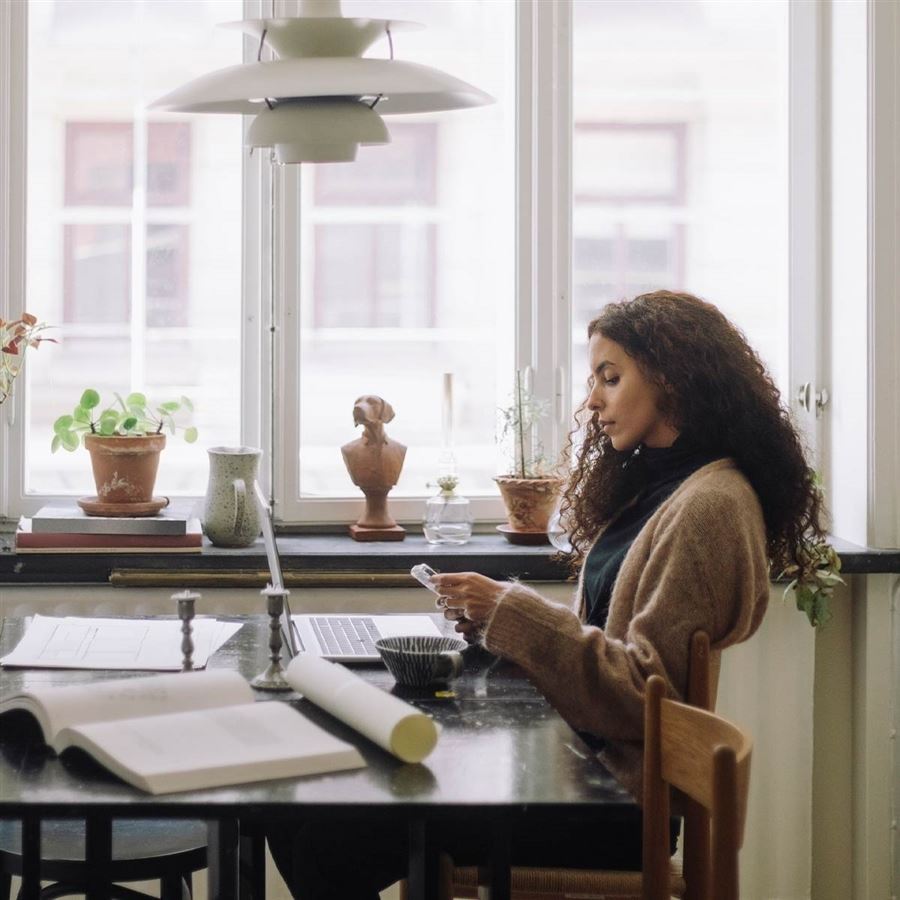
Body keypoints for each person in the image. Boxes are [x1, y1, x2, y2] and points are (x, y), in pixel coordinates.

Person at [268, 290, 825, 899]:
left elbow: (644, 694)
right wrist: (494, 620)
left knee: (329, 835)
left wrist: (513, 612)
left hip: (611, 804)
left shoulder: (711, 505)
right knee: (292, 812)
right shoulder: (662, 485)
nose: (593, 401)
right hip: (576, 771)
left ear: (672, 376)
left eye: (610, 379)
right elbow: (608, 645)